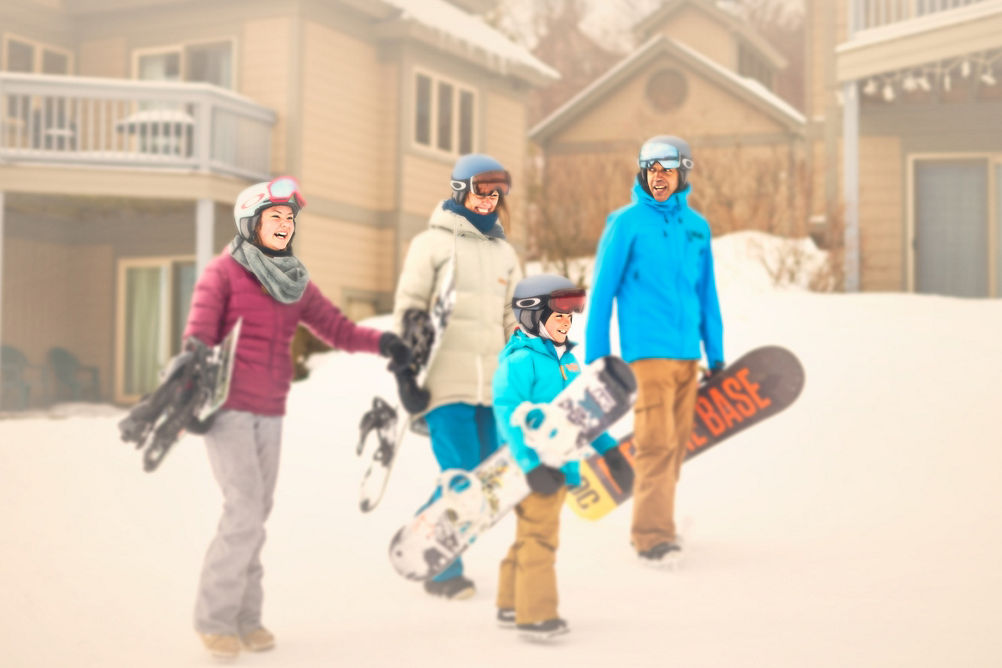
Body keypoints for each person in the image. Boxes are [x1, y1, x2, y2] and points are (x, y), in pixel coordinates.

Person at [184, 176, 413, 659]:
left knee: (255, 515)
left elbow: (338, 328)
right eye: (276, 218)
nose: (286, 226)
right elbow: (198, 341)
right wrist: (192, 400)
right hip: (226, 408)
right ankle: (215, 619)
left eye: (290, 219)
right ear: (251, 222)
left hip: (270, 409)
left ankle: (246, 618)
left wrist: (384, 342)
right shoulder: (221, 274)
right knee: (243, 510)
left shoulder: (292, 280)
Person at [585, 135, 724, 566]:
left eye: (667, 170)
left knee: (677, 443)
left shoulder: (697, 227)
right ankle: (651, 537)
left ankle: (659, 523)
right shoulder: (626, 224)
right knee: (655, 442)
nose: (658, 178)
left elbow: (707, 295)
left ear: (683, 172)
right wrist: (598, 358)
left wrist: (714, 352)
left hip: (687, 355)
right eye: (651, 170)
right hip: (645, 354)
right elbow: (602, 293)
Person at [393, 153, 523, 600]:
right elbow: (409, 307)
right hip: (445, 383)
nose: (489, 200)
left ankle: (423, 536)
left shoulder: (505, 253)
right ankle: (444, 571)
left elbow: (513, 320)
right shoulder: (429, 245)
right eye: (481, 190)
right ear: (460, 190)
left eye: (497, 193)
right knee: (461, 473)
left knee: (487, 474)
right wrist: (405, 373)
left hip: (493, 386)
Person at [492, 274, 631, 640]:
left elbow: (585, 415)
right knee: (540, 537)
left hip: (558, 463)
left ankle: (510, 601)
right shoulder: (521, 362)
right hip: (532, 467)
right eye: (558, 317)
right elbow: (507, 414)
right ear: (531, 316)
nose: (566, 324)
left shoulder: (569, 363)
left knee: (530, 533)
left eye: (570, 317)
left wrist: (610, 452)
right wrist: (530, 465)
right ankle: (534, 615)